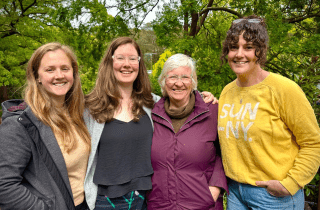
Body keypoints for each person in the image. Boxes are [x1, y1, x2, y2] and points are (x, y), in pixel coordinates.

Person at [83, 37, 216, 210]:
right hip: (104, 201)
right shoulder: (90, 107)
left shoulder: (152, 104)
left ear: (139, 64)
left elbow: (182, 98)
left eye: (133, 58)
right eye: (120, 58)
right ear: (110, 61)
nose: (127, 64)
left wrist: (207, 99)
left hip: (143, 199)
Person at [218, 15, 320, 210]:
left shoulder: (284, 89)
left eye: (248, 47)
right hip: (235, 194)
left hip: (273, 197)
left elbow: (313, 143)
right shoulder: (226, 92)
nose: (239, 54)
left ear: (260, 51)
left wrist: (290, 183)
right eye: (233, 47)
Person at [0, 42, 91, 210]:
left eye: (65, 68)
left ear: (74, 73)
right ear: (37, 77)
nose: (59, 75)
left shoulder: (79, 115)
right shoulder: (20, 124)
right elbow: (4, 185)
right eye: (50, 70)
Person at [146, 53, 228, 210]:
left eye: (185, 77)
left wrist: (215, 189)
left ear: (193, 82)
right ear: (163, 82)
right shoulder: (151, 114)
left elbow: (226, 152)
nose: (178, 83)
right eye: (172, 77)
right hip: (159, 205)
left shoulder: (212, 111)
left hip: (204, 204)